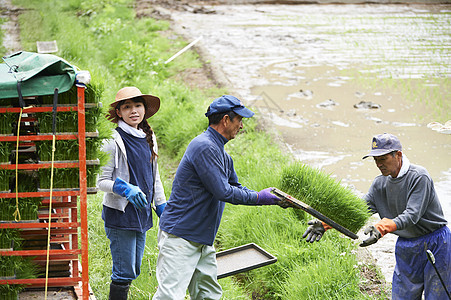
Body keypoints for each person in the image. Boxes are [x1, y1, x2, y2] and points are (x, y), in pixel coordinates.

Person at [152, 95, 285, 300]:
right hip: (181, 236)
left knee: (208, 295)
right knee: (170, 296)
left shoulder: (222, 154)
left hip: (202, 238)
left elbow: (236, 187)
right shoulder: (204, 147)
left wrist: (271, 197)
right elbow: (223, 192)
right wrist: (259, 197)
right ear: (225, 119)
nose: (241, 126)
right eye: (239, 120)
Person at [302, 133, 450, 299]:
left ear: (398, 155)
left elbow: (412, 215)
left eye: (383, 159)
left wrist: (382, 227)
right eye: (375, 160)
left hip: (435, 243)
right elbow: (357, 211)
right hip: (406, 246)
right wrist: (326, 224)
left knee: (439, 295)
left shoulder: (418, 177)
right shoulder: (380, 184)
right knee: (402, 297)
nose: (379, 164)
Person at [97, 87, 167, 300]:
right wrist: (124, 188)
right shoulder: (112, 140)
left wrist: (162, 205)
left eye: (137, 105)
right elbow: (101, 181)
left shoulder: (148, 135)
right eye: (126, 107)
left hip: (142, 212)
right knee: (124, 271)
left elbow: (154, 176)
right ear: (119, 112)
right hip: (121, 214)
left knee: (134, 270)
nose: (133, 111)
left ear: (145, 108)